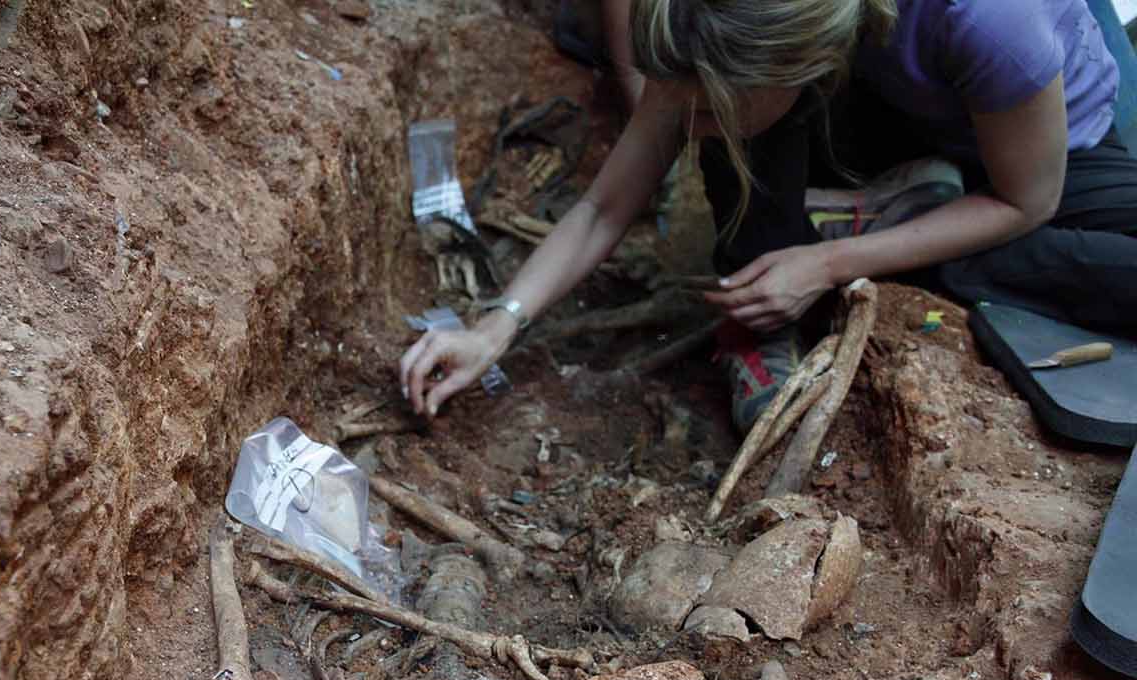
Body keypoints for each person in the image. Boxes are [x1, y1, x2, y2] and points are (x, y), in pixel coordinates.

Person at [400, 0, 1137, 432]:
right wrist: (497, 324)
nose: (685, 129)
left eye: (704, 110)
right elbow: (602, 205)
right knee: (737, 126)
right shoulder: (727, 13)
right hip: (890, 101)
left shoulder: (993, 21)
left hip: (1039, 146)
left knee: (1070, 258)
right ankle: (772, 301)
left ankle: (898, 232)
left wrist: (830, 263)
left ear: (798, 65)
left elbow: (1026, 199)